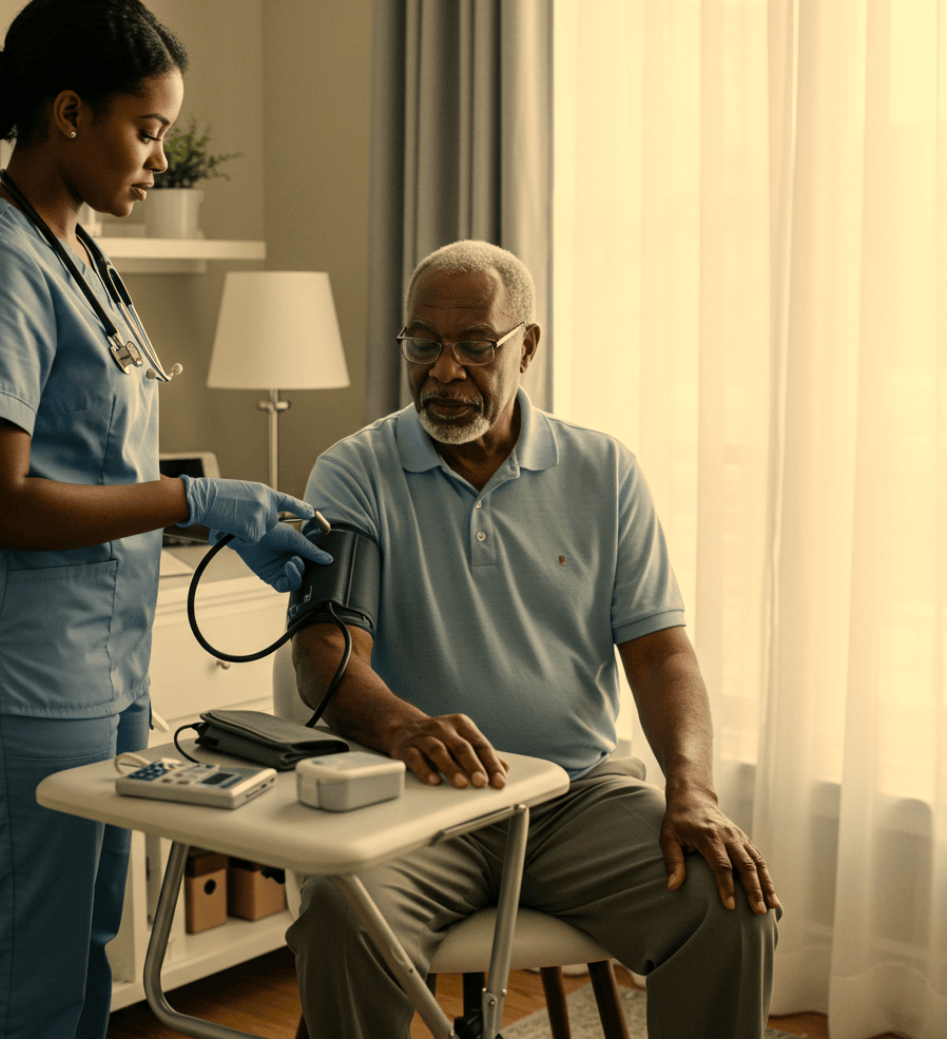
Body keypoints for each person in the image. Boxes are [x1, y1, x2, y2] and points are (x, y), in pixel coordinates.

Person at [0, 0, 329, 1039]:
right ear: (69, 114)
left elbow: (97, 462)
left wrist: (223, 512)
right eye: (148, 130)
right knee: (30, 968)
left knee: (91, 941)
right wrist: (196, 497)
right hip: (21, 668)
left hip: (99, 660)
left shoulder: (79, 252)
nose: (161, 158)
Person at [286, 239, 781, 1039]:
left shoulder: (603, 470)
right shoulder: (353, 473)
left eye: (475, 346)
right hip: (412, 801)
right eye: (423, 344)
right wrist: (403, 726)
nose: (445, 370)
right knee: (340, 915)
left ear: (527, 345)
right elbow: (326, 652)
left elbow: (661, 655)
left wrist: (692, 787)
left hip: (572, 794)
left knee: (729, 904)